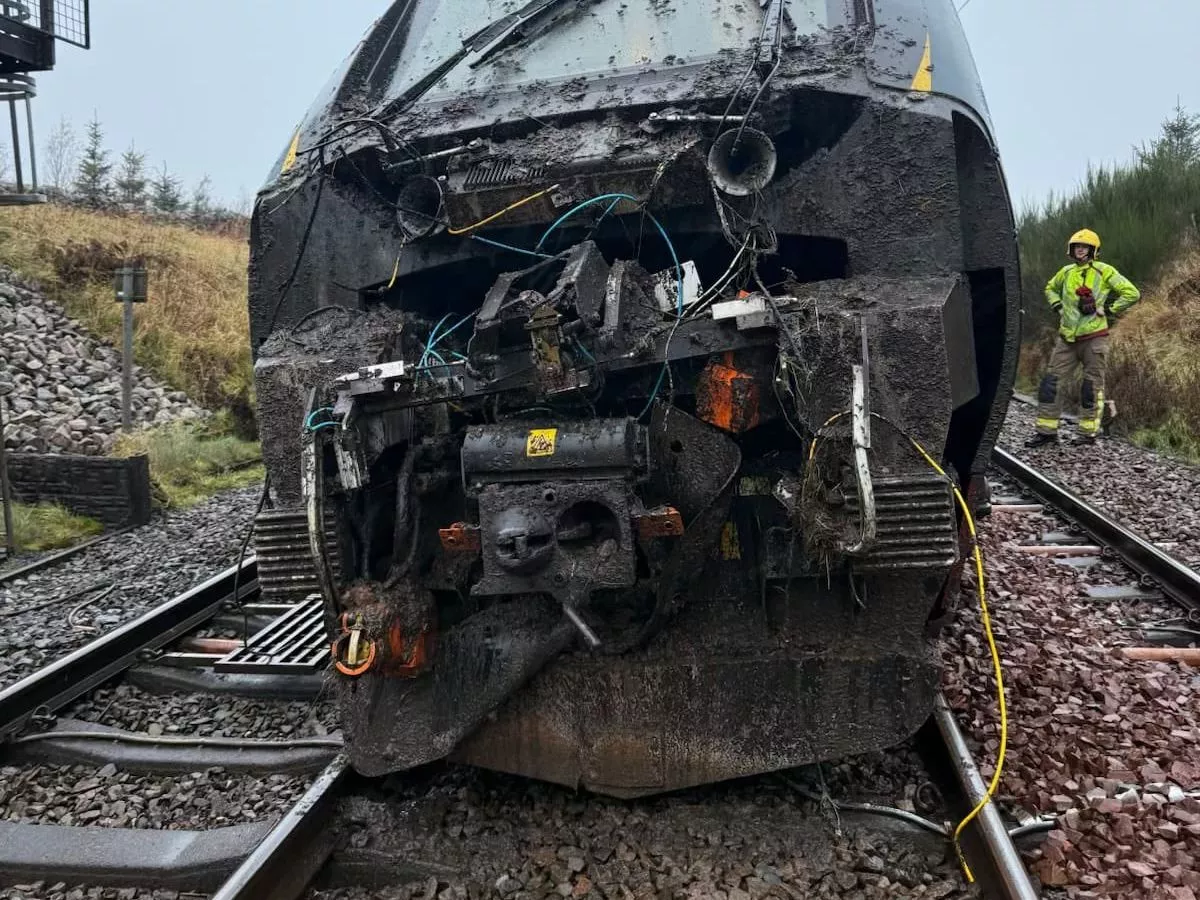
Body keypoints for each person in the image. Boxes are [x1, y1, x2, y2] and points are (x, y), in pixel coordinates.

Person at [1026, 228, 1140, 448]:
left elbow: (1132, 293)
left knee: (1091, 387)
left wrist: (1108, 308)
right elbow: (1050, 288)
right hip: (1066, 340)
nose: (1080, 250)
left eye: (1084, 247)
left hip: (1094, 338)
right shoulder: (1066, 272)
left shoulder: (1104, 271)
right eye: (1077, 246)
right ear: (1071, 249)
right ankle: (1046, 433)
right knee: (1051, 384)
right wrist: (1057, 305)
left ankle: (1087, 435)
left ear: (1093, 250)